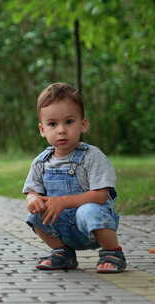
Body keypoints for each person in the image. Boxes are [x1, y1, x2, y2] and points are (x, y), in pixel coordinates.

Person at [22, 82, 126, 273]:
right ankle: (62, 252)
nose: (61, 130)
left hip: (93, 225)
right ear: (42, 129)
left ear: (83, 124)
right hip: (61, 226)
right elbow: (31, 189)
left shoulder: (92, 157)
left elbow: (101, 196)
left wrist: (63, 201)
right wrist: (33, 199)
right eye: (52, 124)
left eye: (69, 122)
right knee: (34, 215)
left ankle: (112, 252)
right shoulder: (41, 162)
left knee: (87, 211)